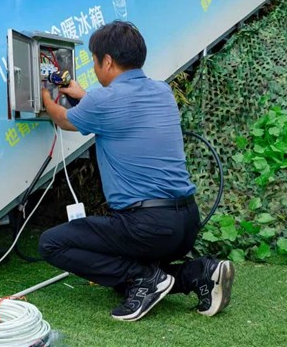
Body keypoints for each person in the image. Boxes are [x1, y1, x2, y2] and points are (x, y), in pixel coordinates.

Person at [38, 20, 234, 322]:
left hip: (147, 228)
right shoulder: (162, 91)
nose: (95, 68)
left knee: (51, 243)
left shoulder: (103, 100)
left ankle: (146, 279)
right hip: (185, 224)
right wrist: (84, 96)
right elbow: (120, 110)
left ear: (107, 61)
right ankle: (199, 272)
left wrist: (44, 97)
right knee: (122, 281)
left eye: (94, 61)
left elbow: (64, 119)